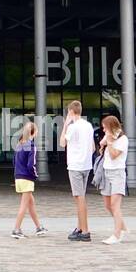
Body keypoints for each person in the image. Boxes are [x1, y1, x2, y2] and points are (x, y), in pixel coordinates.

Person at [59, 100, 95, 243]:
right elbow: (92, 147)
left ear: (71, 112)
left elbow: (62, 143)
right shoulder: (88, 126)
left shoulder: (73, 127)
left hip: (75, 166)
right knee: (79, 197)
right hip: (86, 165)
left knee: (80, 198)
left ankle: (85, 230)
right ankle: (80, 227)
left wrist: (66, 125)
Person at [11, 121, 47, 239]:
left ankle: (38, 227)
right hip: (26, 178)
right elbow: (31, 164)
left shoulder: (19, 144)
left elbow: (14, 162)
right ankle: (16, 229)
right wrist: (35, 175)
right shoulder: (31, 146)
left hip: (19, 177)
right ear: (34, 132)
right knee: (24, 206)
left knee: (31, 204)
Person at [98, 115, 130, 245]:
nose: (104, 131)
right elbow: (101, 146)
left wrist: (110, 142)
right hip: (106, 172)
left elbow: (114, 155)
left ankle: (117, 235)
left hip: (117, 173)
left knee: (115, 206)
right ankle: (122, 227)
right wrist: (103, 144)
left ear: (111, 127)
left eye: (105, 128)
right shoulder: (109, 136)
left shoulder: (123, 139)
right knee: (107, 204)